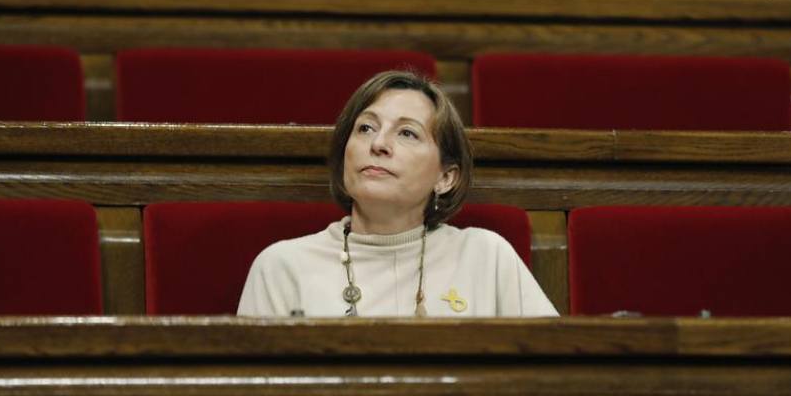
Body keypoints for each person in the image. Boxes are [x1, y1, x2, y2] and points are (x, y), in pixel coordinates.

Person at [237, 70, 558, 317]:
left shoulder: (486, 256)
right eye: (365, 128)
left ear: (445, 177)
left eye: (407, 133)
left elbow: (553, 374)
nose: (378, 144)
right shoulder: (282, 267)